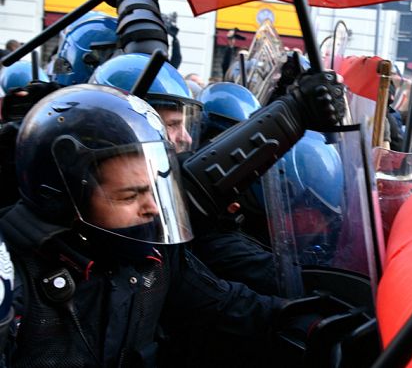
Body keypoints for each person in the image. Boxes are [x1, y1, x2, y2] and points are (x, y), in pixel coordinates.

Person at [0, 85, 286, 365]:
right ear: (64, 199)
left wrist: (303, 319)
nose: (152, 208)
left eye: (154, 190)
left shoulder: (153, 256)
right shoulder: (13, 277)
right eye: (130, 195)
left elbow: (225, 304)